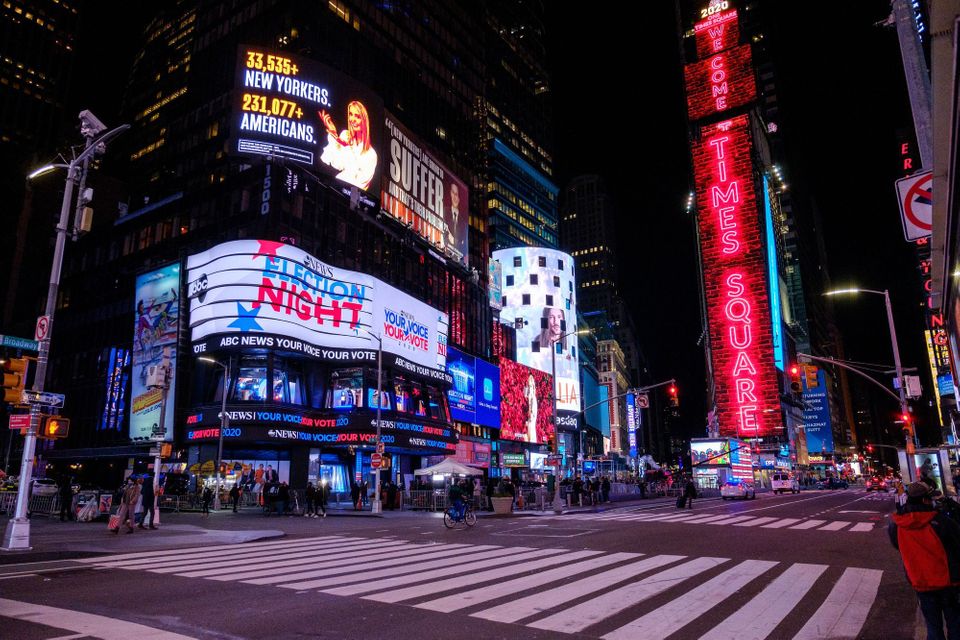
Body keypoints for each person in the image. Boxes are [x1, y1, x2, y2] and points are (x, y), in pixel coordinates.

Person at [889, 482, 960, 640]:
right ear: (925, 500)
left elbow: (897, 544)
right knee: (955, 624)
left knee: (933, 627)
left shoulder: (897, 524)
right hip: (948, 582)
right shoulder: (941, 521)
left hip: (920, 581)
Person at [318, 100, 378, 190]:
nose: (352, 119)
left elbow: (359, 183)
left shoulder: (371, 154)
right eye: (350, 114)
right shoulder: (345, 135)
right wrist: (334, 134)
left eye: (357, 116)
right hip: (335, 187)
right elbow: (336, 163)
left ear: (364, 121)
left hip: (351, 197)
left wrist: (345, 146)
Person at [524, 374, 538, 443]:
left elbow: (533, 412)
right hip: (529, 418)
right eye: (529, 386)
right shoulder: (529, 395)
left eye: (531, 386)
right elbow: (525, 395)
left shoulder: (533, 398)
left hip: (531, 418)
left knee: (531, 427)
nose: (530, 388)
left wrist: (531, 412)